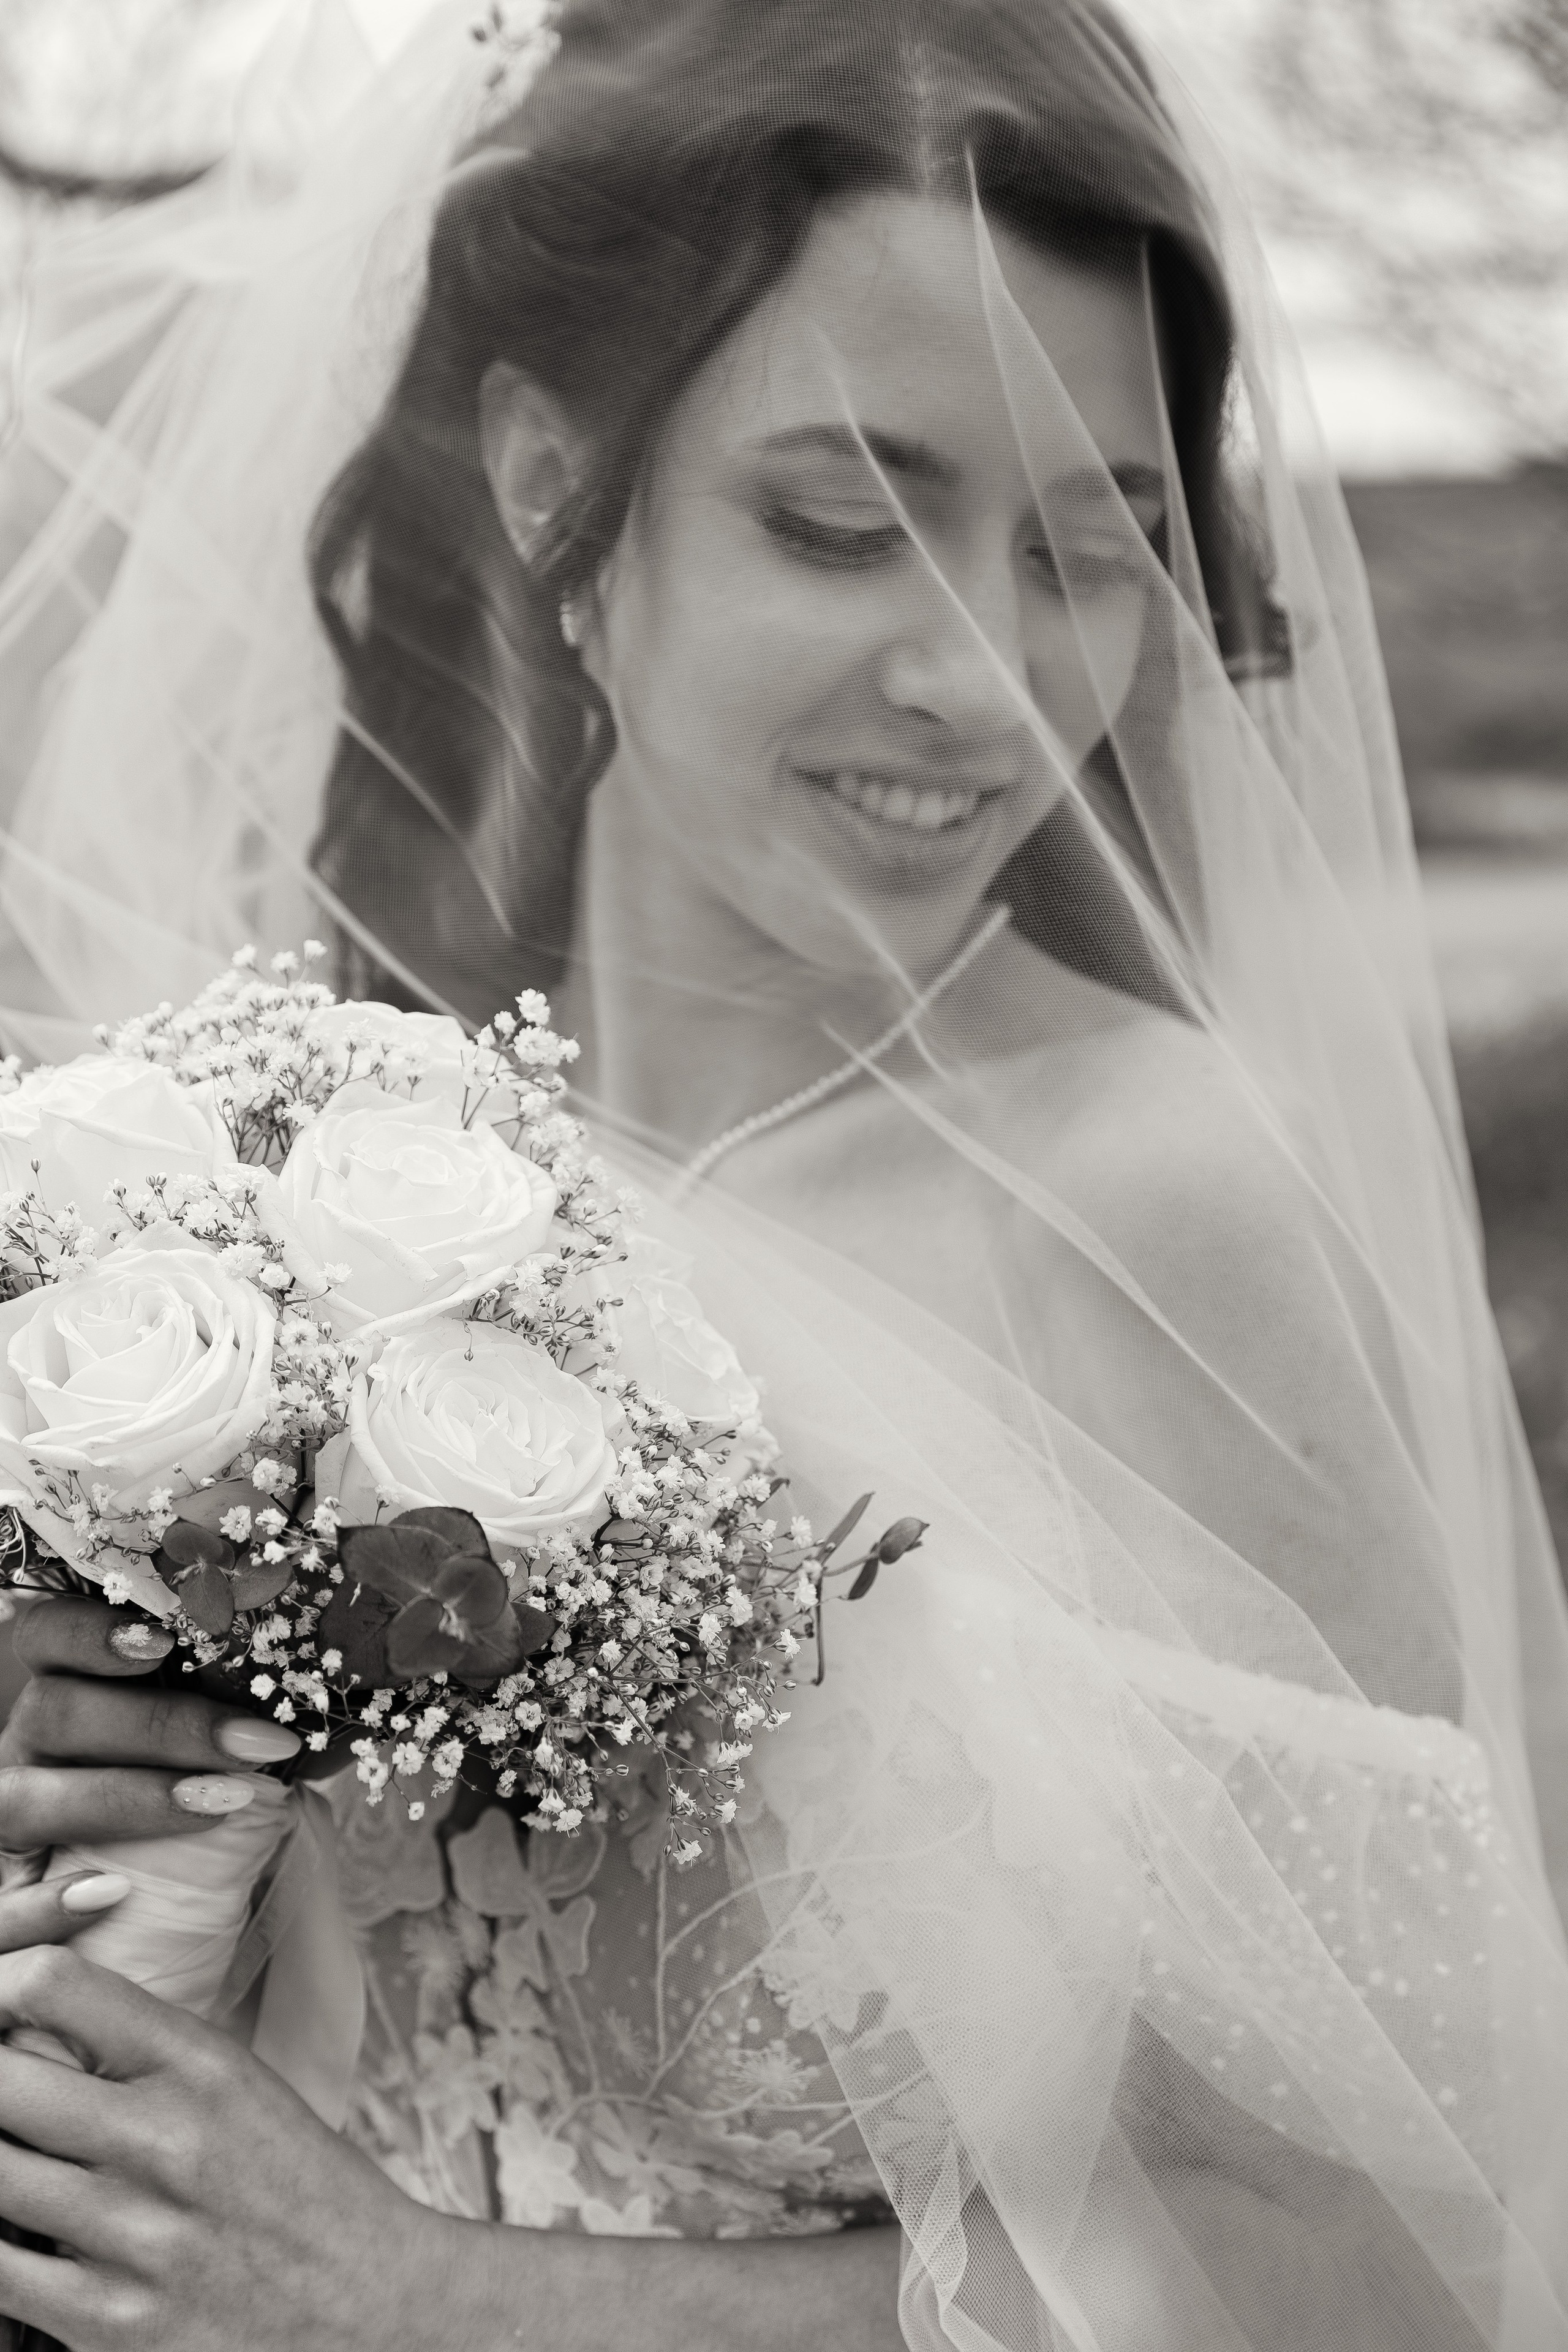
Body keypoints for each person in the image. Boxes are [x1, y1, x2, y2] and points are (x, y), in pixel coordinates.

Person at [0, 0, 1564, 2345]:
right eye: (847, 523)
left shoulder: (1154, 1207)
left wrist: (419, 2299)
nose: (993, 679)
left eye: (1093, 547)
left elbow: (1403, 2257)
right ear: (551, 482)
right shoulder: (296, 1176)